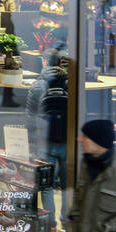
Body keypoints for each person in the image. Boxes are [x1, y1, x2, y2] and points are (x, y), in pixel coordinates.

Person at [26, 47, 69, 218]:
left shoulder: (37, 86)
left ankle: (49, 225)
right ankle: (66, 221)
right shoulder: (70, 84)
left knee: (46, 184)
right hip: (67, 140)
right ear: (60, 62)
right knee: (67, 185)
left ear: (44, 62)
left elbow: (30, 116)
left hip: (44, 141)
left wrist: (30, 141)